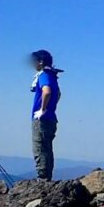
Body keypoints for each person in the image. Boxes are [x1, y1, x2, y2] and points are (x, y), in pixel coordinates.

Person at [30, 49, 62, 180]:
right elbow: (58, 94)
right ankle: (47, 177)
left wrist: (42, 109)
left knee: (40, 148)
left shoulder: (43, 75)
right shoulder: (52, 75)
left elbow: (46, 91)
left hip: (41, 119)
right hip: (51, 118)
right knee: (47, 149)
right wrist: (51, 107)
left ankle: (42, 179)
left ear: (40, 62)